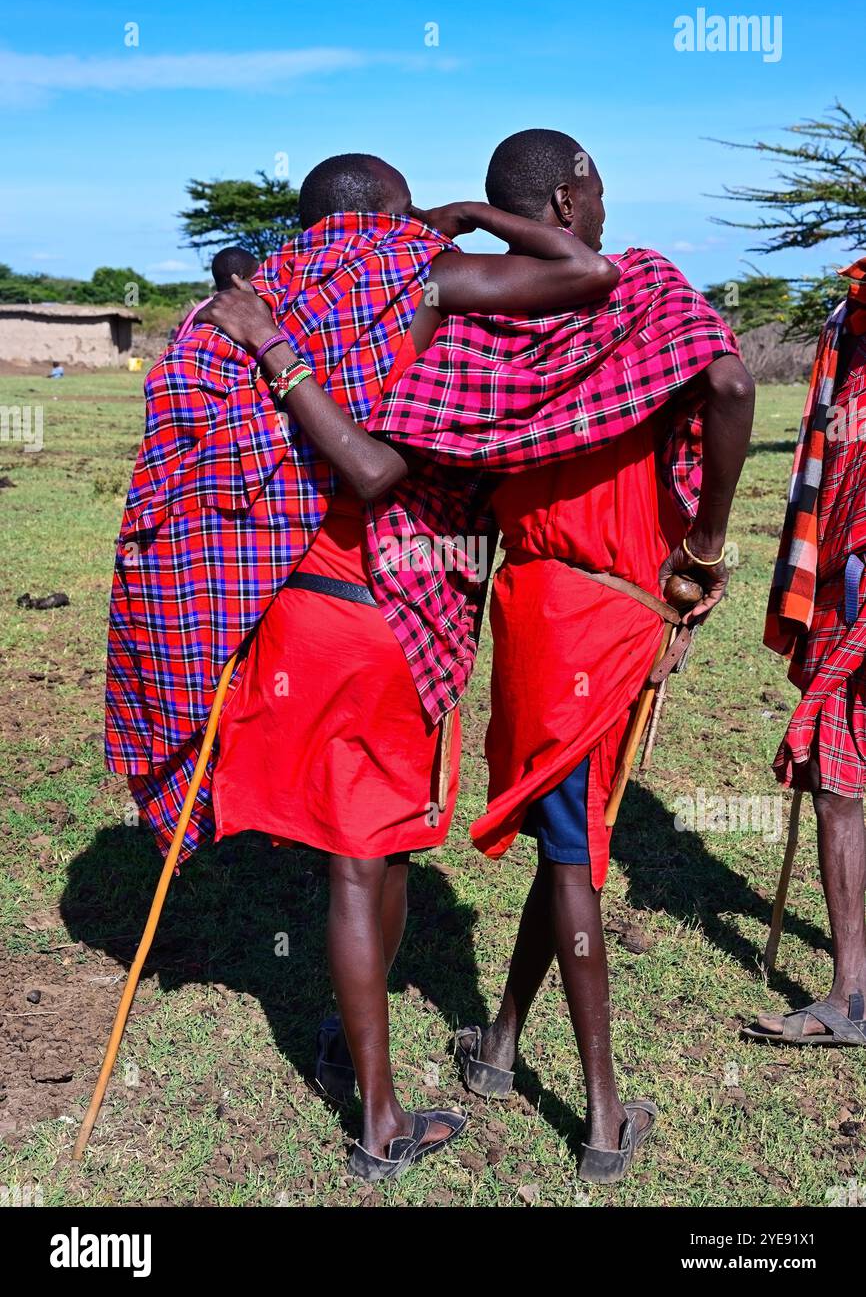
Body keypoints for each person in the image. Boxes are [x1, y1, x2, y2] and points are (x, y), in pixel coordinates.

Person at [106, 151, 619, 1180]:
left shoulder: (256, 294)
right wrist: (467, 215)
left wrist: (262, 331)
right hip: (383, 616)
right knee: (359, 863)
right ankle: (379, 1124)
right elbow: (586, 273)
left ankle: (358, 1035)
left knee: (364, 855)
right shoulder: (406, 276)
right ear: (388, 213)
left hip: (290, 614)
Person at [366, 128, 754, 1182]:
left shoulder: (481, 329)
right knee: (574, 844)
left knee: (564, 828)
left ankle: (497, 1044)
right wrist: (705, 546)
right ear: (576, 190)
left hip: (530, 609)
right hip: (616, 610)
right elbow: (725, 385)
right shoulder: (640, 294)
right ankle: (601, 1113)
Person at [747, 258, 866, 1048]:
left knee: (838, 771)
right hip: (845, 579)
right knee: (837, 773)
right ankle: (852, 994)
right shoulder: (844, 321)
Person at [171, 246, 259, 343]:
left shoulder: (205, 307)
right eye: (257, 277)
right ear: (239, 279)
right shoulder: (224, 311)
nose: (260, 282)